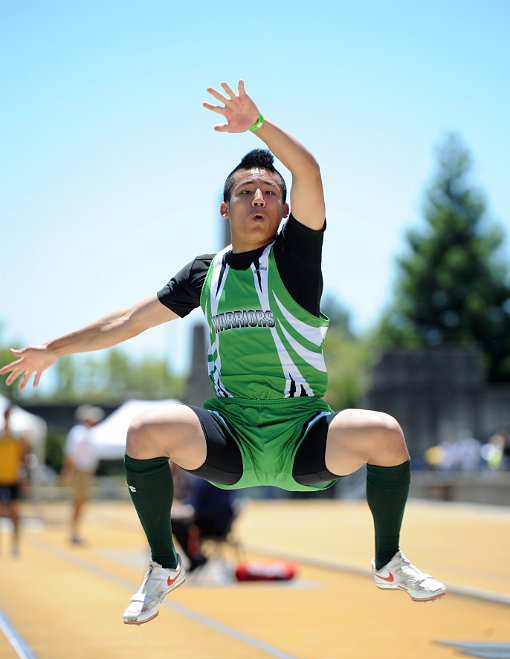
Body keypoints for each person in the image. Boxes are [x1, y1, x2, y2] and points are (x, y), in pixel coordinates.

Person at [0, 80, 445, 623]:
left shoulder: (295, 258)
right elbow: (127, 321)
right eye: (245, 191)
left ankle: (388, 558)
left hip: (303, 433)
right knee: (144, 432)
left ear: (284, 210)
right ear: (225, 206)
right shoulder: (203, 274)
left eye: (269, 192)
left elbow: (310, 172)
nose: (258, 198)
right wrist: (53, 348)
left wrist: (258, 124)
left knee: (385, 432)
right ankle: (164, 565)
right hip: (230, 436)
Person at [170, 462, 238, 573]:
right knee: (174, 520)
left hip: (214, 525)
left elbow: (213, 507)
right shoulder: (206, 477)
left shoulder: (221, 479)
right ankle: (195, 558)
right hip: (204, 519)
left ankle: (196, 558)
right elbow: (194, 500)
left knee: (176, 523)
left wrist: (191, 511)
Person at [61, 404, 104, 545]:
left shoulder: (89, 433)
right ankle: (73, 532)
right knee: (78, 502)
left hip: (86, 472)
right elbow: (71, 454)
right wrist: (69, 471)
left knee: (81, 502)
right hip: (80, 471)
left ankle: (75, 531)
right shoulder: (78, 432)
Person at [0, 404, 30, 556]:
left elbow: (23, 460)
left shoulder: (19, 438)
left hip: (12, 479)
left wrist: (24, 479)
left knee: (14, 514)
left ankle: (15, 544)